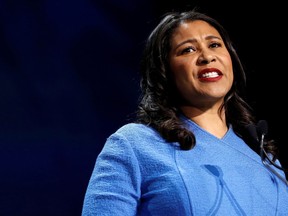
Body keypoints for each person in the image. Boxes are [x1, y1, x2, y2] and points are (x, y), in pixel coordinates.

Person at [81, 9, 288, 215]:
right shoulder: (135, 145)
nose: (207, 56)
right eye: (188, 50)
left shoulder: (264, 158)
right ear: (164, 72)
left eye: (214, 45)